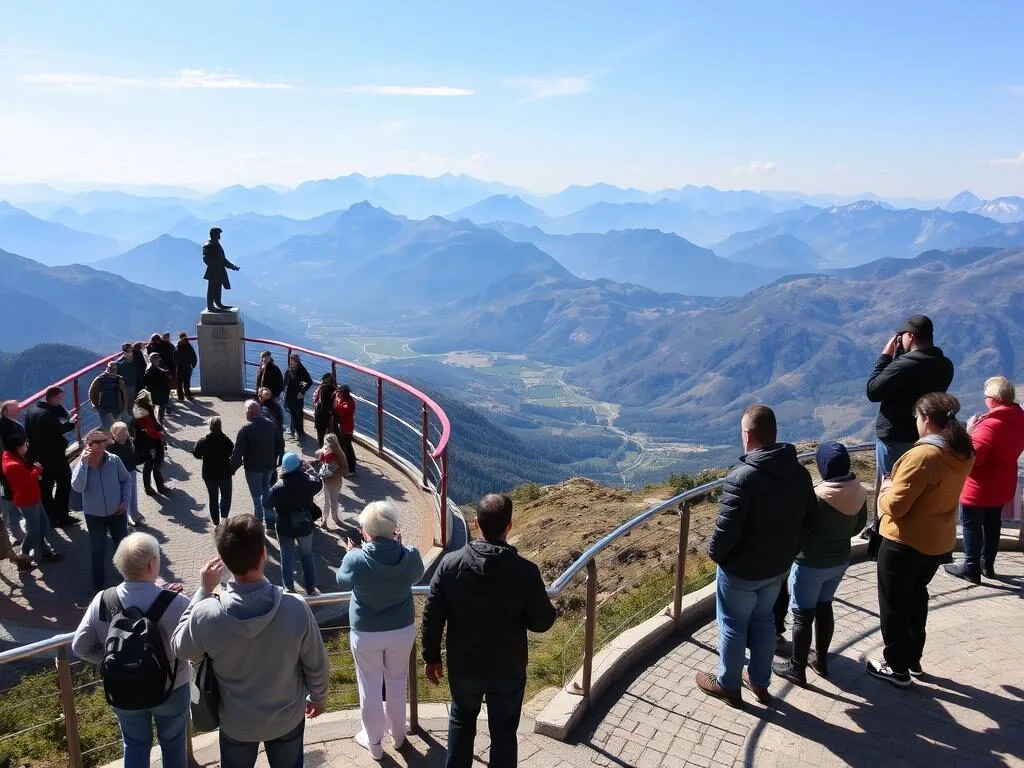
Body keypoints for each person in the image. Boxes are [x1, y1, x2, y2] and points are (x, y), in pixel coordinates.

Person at [170, 515, 329, 768]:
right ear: (264, 553)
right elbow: (316, 663)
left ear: (224, 561)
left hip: (236, 723)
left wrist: (202, 591)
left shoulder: (207, 612)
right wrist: (318, 698)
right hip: (286, 718)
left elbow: (179, 646)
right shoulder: (295, 607)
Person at [422, 494, 556, 768]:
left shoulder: (450, 565)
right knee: (504, 732)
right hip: (508, 667)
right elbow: (541, 623)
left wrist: (431, 657)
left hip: (464, 666)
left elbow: (432, 615)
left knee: (461, 720)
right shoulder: (526, 572)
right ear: (509, 526)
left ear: (475, 523)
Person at [697, 405, 817, 708]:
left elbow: (724, 534)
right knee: (764, 622)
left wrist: (717, 556)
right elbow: (811, 522)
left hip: (741, 571)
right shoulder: (800, 474)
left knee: (733, 624)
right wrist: (788, 553)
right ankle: (760, 683)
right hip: (777, 569)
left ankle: (728, 685)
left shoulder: (743, 478)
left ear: (747, 435)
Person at [867, 392, 974, 687]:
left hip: (904, 541)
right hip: (937, 540)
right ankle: (912, 657)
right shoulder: (962, 451)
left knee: (894, 604)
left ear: (926, 419)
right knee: (916, 597)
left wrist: (886, 489)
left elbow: (896, 506)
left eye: (917, 418)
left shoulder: (924, 456)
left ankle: (896, 667)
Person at [72, 533, 190, 768]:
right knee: (173, 744)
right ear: (151, 565)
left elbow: (79, 646)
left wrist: (110, 660)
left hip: (123, 689)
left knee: (135, 744)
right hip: (171, 688)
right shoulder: (178, 603)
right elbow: (192, 648)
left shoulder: (102, 601)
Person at [773, 442, 867, 685]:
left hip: (810, 563)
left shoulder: (817, 497)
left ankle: (796, 668)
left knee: (802, 615)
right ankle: (821, 660)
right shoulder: (858, 491)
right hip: (840, 561)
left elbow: (797, 531)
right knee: (825, 607)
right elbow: (858, 527)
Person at [336, 501, 424, 759]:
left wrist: (349, 552)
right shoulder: (410, 554)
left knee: (370, 688)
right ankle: (398, 737)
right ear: (395, 528)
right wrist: (400, 545)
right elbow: (416, 575)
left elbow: (342, 579)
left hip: (366, 632)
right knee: (398, 684)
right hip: (402, 629)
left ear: (365, 531)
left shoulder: (356, 559)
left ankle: (375, 745)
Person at [866, 315, 955, 514]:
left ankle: (882, 530)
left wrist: (885, 357)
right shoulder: (945, 365)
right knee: (917, 487)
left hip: (895, 437)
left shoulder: (903, 366)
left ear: (910, 336)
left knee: (890, 487)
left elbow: (873, 391)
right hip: (926, 437)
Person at [945, 376, 1024, 583]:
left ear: (993, 399)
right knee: (992, 523)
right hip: (1004, 481)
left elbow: (975, 458)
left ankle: (971, 568)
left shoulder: (990, 425)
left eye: (986, 396)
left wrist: (969, 433)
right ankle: (987, 564)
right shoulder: (1018, 418)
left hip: (980, 486)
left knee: (971, 524)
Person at [72, 429, 133, 593]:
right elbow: (77, 487)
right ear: (90, 445)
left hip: (117, 512)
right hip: (94, 515)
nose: (101, 446)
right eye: (96, 443)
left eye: (102, 442)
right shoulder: (82, 464)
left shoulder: (114, 460)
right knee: (98, 549)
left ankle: (128, 576)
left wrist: (125, 502)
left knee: (122, 544)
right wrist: (83, 465)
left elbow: (126, 480)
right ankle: (98, 584)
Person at [2, 434, 64, 566]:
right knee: (35, 530)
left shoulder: (8, 456)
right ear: (17, 448)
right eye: (24, 444)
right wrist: (38, 470)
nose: (27, 446)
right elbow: (27, 481)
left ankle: (43, 552)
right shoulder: (13, 465)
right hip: (28, 501)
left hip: (32, 498)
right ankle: (23, 554)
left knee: (42, 525)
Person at [265, 453, 322, 595]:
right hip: (304, 524)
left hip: (284, 526)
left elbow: (266, 503)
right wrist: (310, 470)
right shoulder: (308, 482)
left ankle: (289, 588)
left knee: (286, 556)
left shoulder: (278, 487)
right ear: (299, 466)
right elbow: (319, 482)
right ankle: (310, 588)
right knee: (307, 555)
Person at [25, 385, 79, 527]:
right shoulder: (47, 415)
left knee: (45, 488)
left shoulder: (31, 410)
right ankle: (62, 517)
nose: (61, 401)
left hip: (37, 457)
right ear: (53, 398)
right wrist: (72, 423)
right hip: (54, 457)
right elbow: (59, 430)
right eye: (60, 398)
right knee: (64, 483)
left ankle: (50, 518)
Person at [230, 400, 284, 535]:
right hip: (269, 466)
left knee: (256, 496)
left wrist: (231, 468)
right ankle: (270, 523)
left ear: (250, 412)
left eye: (245, 411)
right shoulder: (271, 425)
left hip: (253, 468)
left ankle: (258, 523)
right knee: (267, 491)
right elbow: (280, 444)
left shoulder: (246, 429)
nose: (245, 414)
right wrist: (278, 460)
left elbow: (238, 451)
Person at [192, 417, 234, 525]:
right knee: (226, 495)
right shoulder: (226, 441)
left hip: (209, 474)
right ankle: (224, 517)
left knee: (213, 497)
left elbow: (196, 454)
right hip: (224, 473)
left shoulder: (203, 441)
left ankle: (216, 522)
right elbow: (231, 452)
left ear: (210, 427)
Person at [0, 400, 28, 541]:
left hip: (14, 468)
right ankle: (14, 533)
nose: (19, 410)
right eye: (15, 408)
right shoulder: (6, 427)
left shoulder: (13, 424)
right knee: (9, 501)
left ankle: (15, 531)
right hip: (8, 471)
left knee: (11, 500)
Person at [108, 422, 145, 527]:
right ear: (114, 434)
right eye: (121, 432)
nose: (125, 434)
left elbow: (134, 455)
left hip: (131, 471)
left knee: (133, 493)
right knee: (124, 495)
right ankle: (127, 516)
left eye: (126, 431)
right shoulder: (111, 447)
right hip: (119, 474)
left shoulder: (130, 441)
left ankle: (134, 513)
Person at [133, 392, 168, 496]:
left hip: (143, 444)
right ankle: (160, 487)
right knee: (156, 465)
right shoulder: (149, 412)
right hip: (154, 443)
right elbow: (156, 428)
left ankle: (148, 488)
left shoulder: (136, 415)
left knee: (148, 466)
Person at [202, 226, 240, 313]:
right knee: (212, 288)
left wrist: (233, 266)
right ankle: (210, 306)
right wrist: (214, 264)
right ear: (214, 235)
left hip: (219, 270)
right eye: (218, 234)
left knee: (218, 287)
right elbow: (205, 258)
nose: (219, 236)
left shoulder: (216, 244)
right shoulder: (208, 245)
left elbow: (223, 260)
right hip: (213, 271)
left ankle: (218, 303)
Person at [316, 433, 347, 528]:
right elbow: (345, 469)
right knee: (333, 501)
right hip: (334, 481)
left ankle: (325, 520)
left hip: (327, 480)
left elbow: (320, 460)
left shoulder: (325, 451)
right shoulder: (340, 454)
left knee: (327, 501)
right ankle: (333, 518)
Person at [90, 361, 129, 431]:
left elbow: (124, 395)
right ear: (107, 369)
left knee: (120, 428)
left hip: (116, 407)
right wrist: (96, 405)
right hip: (104, 408)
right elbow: (92, 393)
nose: (113, 371)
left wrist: (124, 408)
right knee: (108, 429)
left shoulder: (119, 380)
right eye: (111, 369)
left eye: (115, 369)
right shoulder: (99, 379)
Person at [283, 354, 313, 441]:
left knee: (298, 414)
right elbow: (285, 382)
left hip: (297, 397)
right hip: (289, 396)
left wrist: (302, 391)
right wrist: (284, 390)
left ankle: (300, 432)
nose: (291, 362)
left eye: (293, 361)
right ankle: (292, 430)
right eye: (291, 361)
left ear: (297, 361)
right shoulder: (289, 370)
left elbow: (309, 381)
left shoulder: (302, 370)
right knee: (291, 413)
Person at [333, 384, 357, 475]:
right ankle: (345, 466)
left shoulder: (349, 403)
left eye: (341, 392)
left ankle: (351, 469)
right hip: (344, 427)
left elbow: (340, 409)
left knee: (347, 448)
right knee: (343, 447)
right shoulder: (345, 400)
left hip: (346, 429)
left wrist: (335, 400)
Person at [142, 354, 172, 425]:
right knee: (157, 411)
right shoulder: (151, 371)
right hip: (155, 394)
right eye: (155, 359)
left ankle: (159, 424)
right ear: (151, 360)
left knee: (160, 412)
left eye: (157, 359)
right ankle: (158, 425)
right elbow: (145, 382)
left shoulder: (162, 371)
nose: (157, 361)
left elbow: (145, 382)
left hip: (160, 394)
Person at [312, 373, 337, 447]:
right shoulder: (334, 391)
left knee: (320, 434)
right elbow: (334, 405)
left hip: (320, 413)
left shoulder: (321, 388)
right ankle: (326, 450)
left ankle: (321, 449)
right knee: (327, 434)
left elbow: (316, 401)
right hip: (327, 415)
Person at [116, 343, 141, 412]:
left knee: (132, 401)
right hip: (124, 386)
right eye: (128, 351)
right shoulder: (119, 363)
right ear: (124, 352)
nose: (130, 352)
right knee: (125, 403)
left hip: (133, 384)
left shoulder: (135, 360)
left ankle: (131, 415)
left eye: (131, 350)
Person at [174, 332, 198, 402]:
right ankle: (188, 395)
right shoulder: (188, 346)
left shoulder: (177, 346)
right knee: (186, 382)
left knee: (179, 382)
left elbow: (174, 356)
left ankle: (180, 397)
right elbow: (193, 356)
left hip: (179, 367)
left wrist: (176, 364)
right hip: (187, 367)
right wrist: (193, 365)